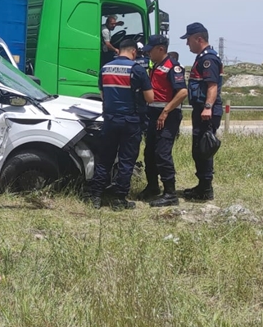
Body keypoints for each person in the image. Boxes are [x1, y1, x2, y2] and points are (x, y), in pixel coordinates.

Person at [88, 35, 153, 209]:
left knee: (105, 159)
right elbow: (150, 98)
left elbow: (103, 95)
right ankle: (119, 199)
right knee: (126, 160)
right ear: (133, 51)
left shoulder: (105, 68)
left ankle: (96, 196)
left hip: (110, 120)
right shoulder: (137, 70)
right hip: (131, 121)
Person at [139, 34, 188, 206]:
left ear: (160, 49)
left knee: (162, 153)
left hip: (167, 115)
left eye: (150, 50)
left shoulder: (173, 67)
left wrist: (166, 111)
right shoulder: (156, 66)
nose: (148, 54)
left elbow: (182, 92)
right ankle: (153, 187)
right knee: (149, 153)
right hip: (153, 114)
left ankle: (170, 193)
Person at [180, 22, 223, 201]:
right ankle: (202, 186)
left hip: (206, 111)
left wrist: (207, 108)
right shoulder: (202, 57)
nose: (187, 44)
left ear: (198, 39)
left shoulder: (208, 59)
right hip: (201, 109)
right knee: (198, 149)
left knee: (204, 148)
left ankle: (206, 190)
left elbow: (212, 86)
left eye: (188, 40)